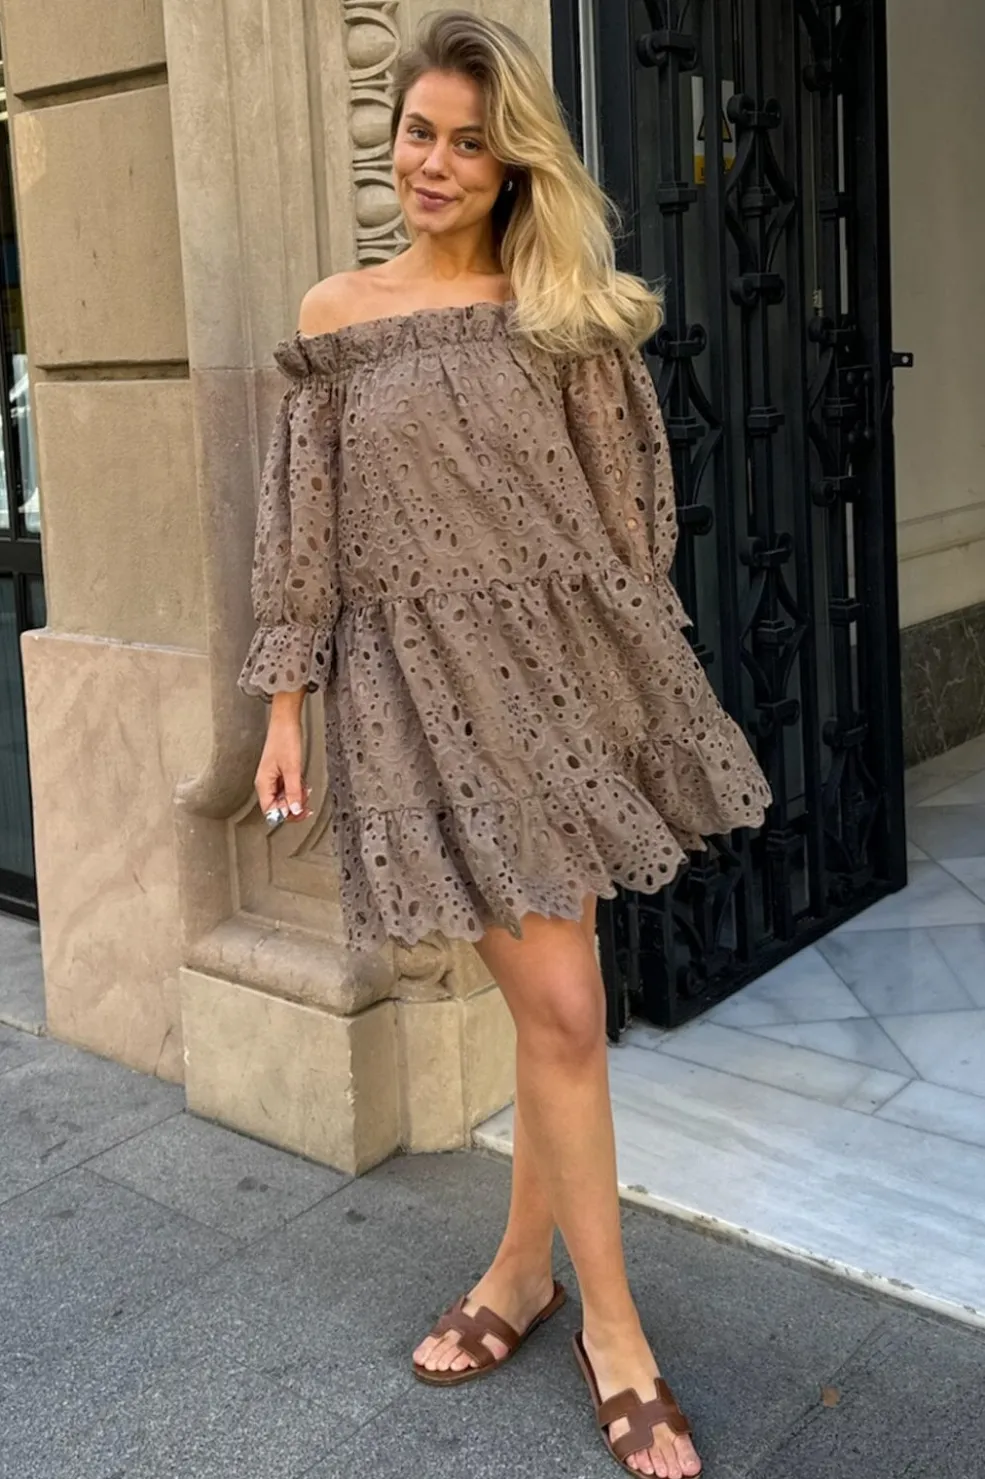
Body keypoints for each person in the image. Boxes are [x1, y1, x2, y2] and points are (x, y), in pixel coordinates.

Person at [238, 10, 770, 1476]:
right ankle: (609, 1329)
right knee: (567, 1016)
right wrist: (285, 708)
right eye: (419, 132)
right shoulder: (337, 316)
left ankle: (535, 1281)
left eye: (470, 143)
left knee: (559, 1019)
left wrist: (623, 689)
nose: (435, 162)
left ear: (513, 161)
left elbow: (633, 524)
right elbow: (302, 536)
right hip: (417, 697)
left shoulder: (561, 311)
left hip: (563, 686)